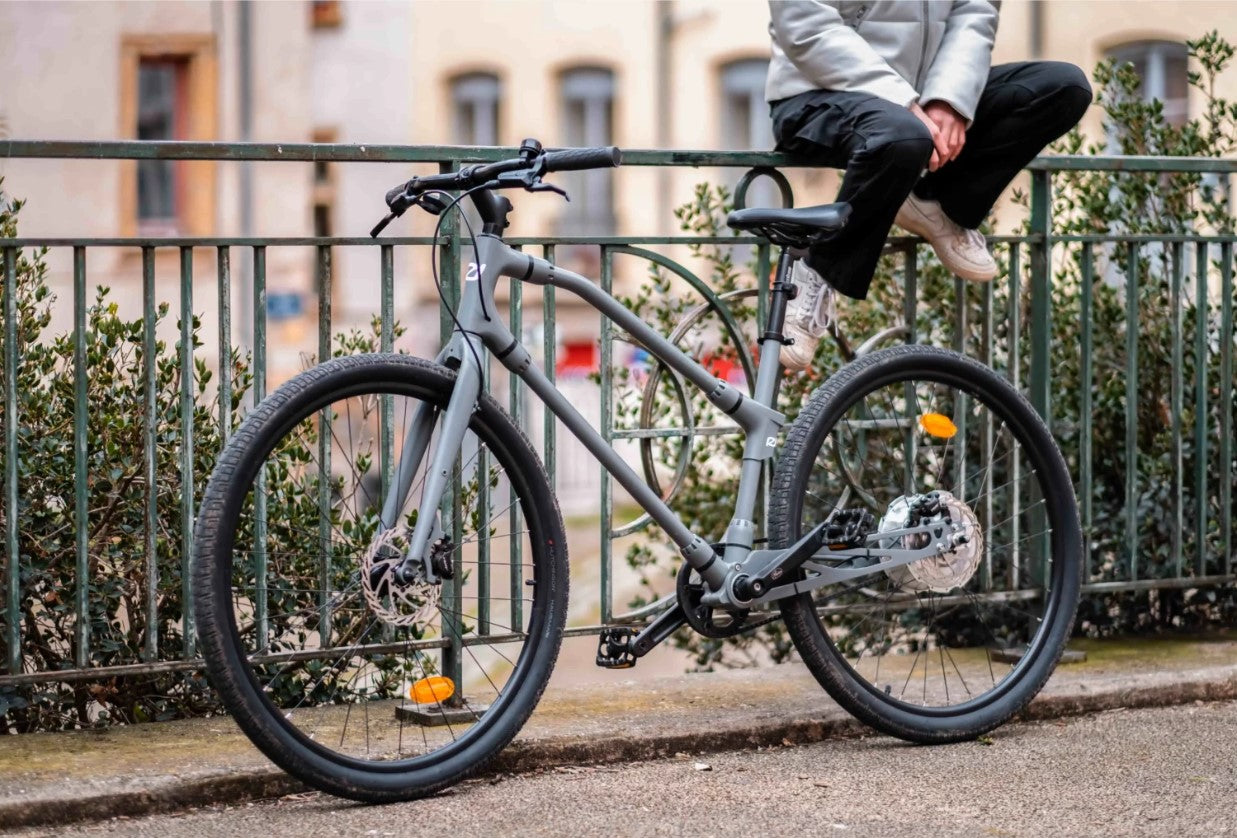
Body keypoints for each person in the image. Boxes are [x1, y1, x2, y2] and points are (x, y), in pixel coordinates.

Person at [766, 0, 1092, 369]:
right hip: (815, 94)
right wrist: (901, 100)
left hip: (919, 103)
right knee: (903, 136)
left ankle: (934, 203)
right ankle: (818, 269)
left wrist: (948, 99)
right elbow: (806, 25)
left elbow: (974, 9)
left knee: (1063, 88)